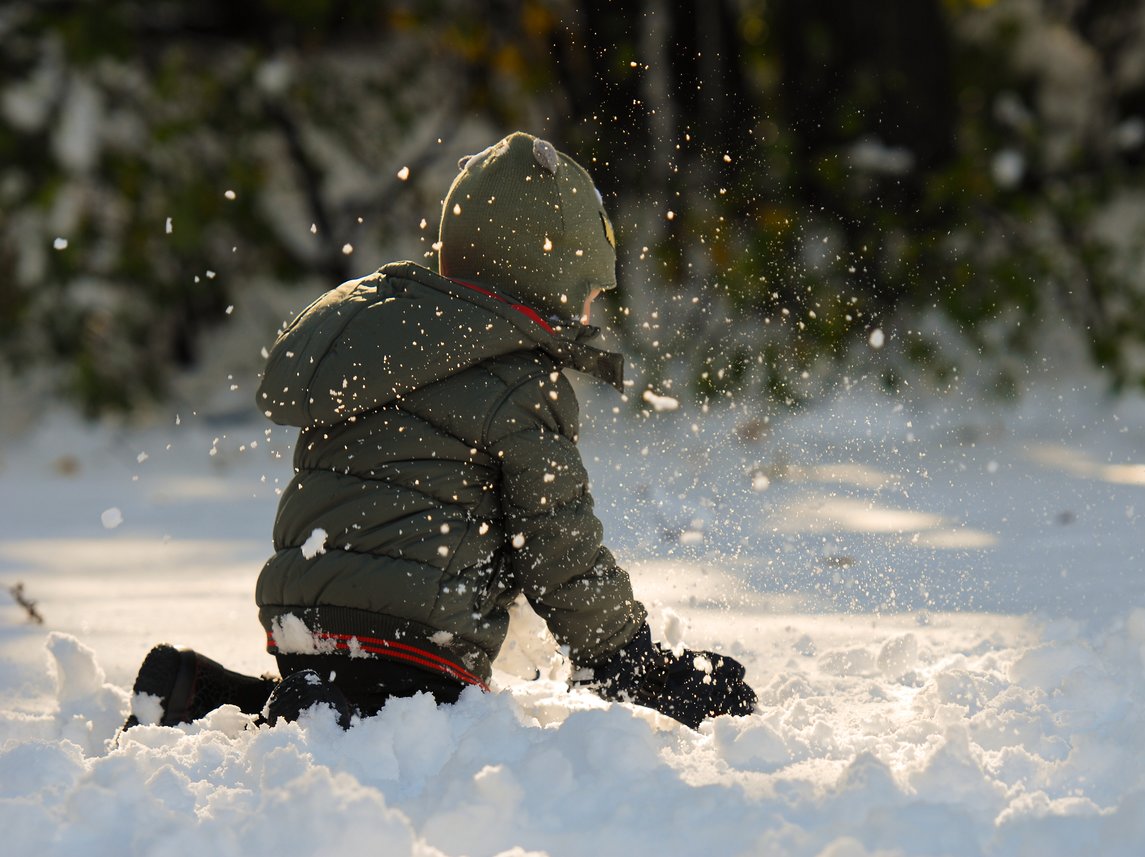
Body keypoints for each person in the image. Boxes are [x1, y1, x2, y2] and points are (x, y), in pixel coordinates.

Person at [125, 132, 756, 731]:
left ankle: (206, 693)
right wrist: (630, 661)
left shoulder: (383, 341)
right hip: (416, 633)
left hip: (303, 614)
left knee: (352, 690)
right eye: (585, 289)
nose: (589, 308)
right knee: (413, 714)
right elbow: (558, 545)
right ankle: (315, 713)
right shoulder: (522, 384)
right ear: (541, 281)